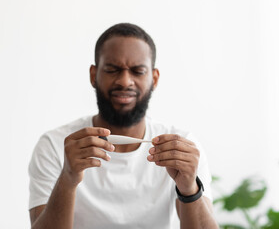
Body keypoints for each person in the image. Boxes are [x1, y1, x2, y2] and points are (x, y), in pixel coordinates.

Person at [28, 23, 218, 229]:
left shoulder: (182, 148)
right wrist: (68, 178)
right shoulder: (56, 145)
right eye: (112, 69)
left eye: (138, 71)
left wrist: (189, 187)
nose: (125, 81)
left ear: (154, 78)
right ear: (94, 75)